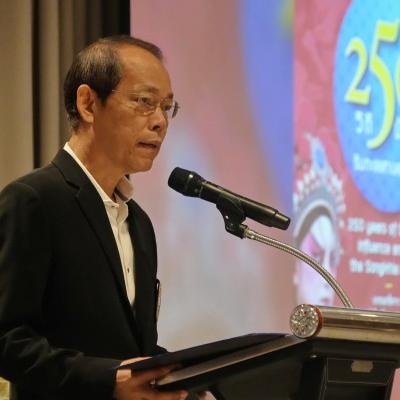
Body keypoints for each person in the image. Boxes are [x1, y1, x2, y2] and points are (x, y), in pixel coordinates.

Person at [0, 36, 188, 400]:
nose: (160, 122)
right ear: (88, 104)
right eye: (144, 102)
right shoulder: (34, 201)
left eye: (167, 107)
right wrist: (107, 379)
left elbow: (129, 347)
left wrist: (192, 379)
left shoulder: (139, 223)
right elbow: (7, 338)